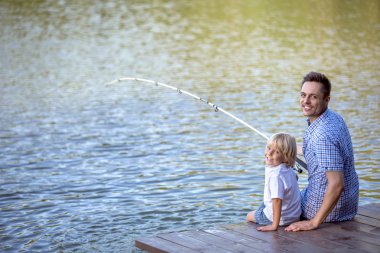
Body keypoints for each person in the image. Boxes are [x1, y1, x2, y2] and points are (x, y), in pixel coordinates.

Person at [285, 72, 359, 232]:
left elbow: (337, 184)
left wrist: (313, 222)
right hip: (349, 205)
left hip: (326, 210)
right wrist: (287, 147)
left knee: (268, 207)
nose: (305, 101)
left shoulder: (322, 136)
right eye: (303, 95)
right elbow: (321, 152)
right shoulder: (333, 118)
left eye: (313, 97)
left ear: (327, 99)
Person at [246, 133, 301, 231]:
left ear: (285, 157)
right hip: (294, 215)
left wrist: (274, 226)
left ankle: (271, 222)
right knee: (263, 204)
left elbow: (276, 200)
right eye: (269, 148)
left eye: (277, 152)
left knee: (249, 216)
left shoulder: (275, 175)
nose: (269, 153)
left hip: (280, 219)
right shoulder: (289, 169)